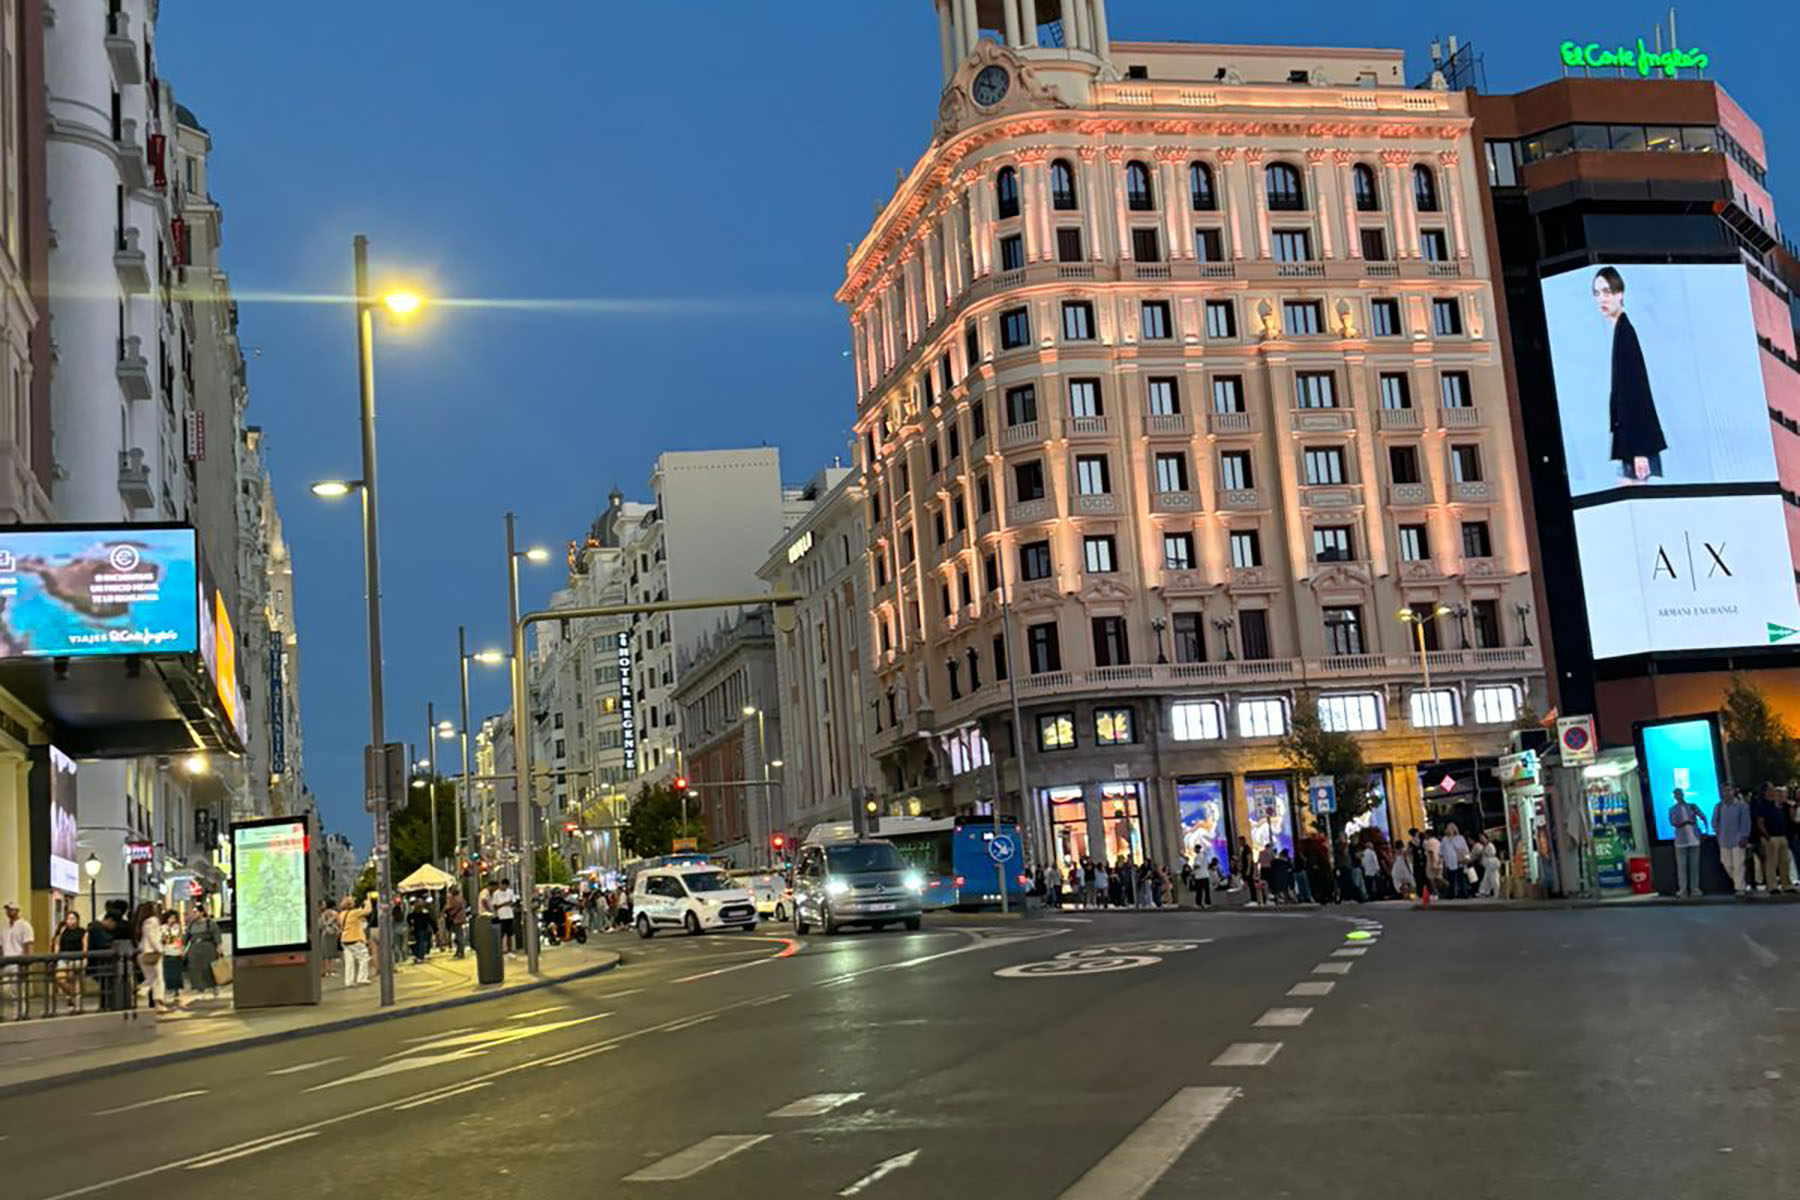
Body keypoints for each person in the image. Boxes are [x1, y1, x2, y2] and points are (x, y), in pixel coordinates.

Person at [1592, 267, 1666, 486]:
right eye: (1597, 294)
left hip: (1636, 443)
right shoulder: (1620, 331)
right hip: (1630, 441)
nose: (1601, 299)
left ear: (1619, 293)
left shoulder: (1626, 333)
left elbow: (1637, 393)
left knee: (1637, 503)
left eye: (1606, 291)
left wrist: (1640, 451)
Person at [1667, 787, 1709, 898]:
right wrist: (1686, 822)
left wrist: (1705, 831)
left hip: (1694, 839)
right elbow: (1673, 823)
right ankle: (1683, 890)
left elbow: (1703, 817)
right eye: (1676, 795)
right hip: (1681, 841)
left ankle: (1695, 889)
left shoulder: (1692, 806)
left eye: (1679, 794)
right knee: (1682, 867)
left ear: (1683, 795)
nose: (1678, 796)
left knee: (1694, 866)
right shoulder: (1672, 809)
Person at [1752, 785, 1794, 894]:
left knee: (1785, 862)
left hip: (1782, 835)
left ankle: (1786, 884)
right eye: (1771, 791)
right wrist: (1767, 836)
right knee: (1771, 862)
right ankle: (1772, 886)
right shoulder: (1763, 805)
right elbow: (1760, 822)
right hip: (1771, 837)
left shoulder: (1781, 805)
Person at [1713, 787, 1752, 895]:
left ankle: (1740, 888)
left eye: (1729, 790)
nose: (1726, 793)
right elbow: (1714, 821)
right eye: (1724, 791)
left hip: (1738, 840)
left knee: (1738, 864)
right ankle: (1740, 883)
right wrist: (1717, 832)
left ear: (1733, 792)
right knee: (1727, 863)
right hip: (1724, 840)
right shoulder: (1719, 806)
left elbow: (1746, 822)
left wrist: (1744, 836)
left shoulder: (1741, 806)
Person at [1, 900, 33, 1011]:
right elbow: (1, 945)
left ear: (17, 910)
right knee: (6, 989)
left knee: (17, 989)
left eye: (11, 909)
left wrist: (25, 963)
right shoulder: (4, 927)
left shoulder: (25, 926)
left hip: (18, 961)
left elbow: (28, 945)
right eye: (7, 910)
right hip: (6, 961)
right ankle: (5, 1012)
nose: (9, 912)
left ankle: (20, 1012)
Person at [184, 904, 222, 998]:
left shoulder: (210, 923)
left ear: (202, 912)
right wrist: (183, 949)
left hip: (208, 948)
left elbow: (216, 935)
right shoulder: (191, 925)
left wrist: (218, 947)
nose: (194, 914)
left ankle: (214, 986)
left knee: (209, 968)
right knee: (195, 969)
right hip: (194, 949)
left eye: (196, 912)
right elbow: (186, 938)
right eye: (193, 912)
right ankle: (200, 988)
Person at [133, 903, 165, 1010]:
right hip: (153, 952)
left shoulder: (141, 922)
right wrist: (160, 949)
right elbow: (153, 937)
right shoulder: (153, 920)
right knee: (157, 979)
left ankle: (143, 990)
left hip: (143, 952)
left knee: (150, 977)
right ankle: (157, 1001)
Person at [339, 896, 370, 987]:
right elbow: (368, 911)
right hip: (355, 938)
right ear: (351, 904)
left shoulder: (341, 914)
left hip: (344, 939)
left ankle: (349, 981)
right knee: (364, 958)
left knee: (349, 961)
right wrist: (368, 901)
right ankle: (362, 978)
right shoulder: (354, 913)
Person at [1439, 825, 1468, 899]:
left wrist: (1466, 858)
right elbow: (1441, 851)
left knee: (1460, 877)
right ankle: (1451, 893)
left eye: (1451, 828)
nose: (1449, 830)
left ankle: (1462, 892)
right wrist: (1441, 861)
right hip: (1449, 862)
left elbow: (1465, 849)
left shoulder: (1460, 838)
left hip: (1458, 860)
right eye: (1448, 829)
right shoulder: (1444, 839)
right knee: (1450, 878)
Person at [491, 879, 518, 954]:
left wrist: (510, 903)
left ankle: (509, 949)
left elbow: (513, 902)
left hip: (509, 915)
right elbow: (495, 906)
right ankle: (501, 948)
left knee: (510, 933)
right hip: (501, 916)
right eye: (503, 885)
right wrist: (504, 904)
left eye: (506, 886)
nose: (505, 887)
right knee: (501, 933)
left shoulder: (510, 892)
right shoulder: (496, 893)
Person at [407, 897, 434, 964]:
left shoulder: (414, 911)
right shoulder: (424, 912)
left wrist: (411, 925)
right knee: (422, 943)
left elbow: (408, 918)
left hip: (416, 928)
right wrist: (435, 928)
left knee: (418, 942)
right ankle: (420, 957)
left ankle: (417, 956)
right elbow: (430, 920)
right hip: (423, 928)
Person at [443, 889, 468, 959]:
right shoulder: (461, 898)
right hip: (460, 918)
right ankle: (459, 951)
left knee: (459, 936)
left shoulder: (454, 899)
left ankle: (460, 952)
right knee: (459, 935)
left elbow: (448, 907)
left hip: (456, 919)